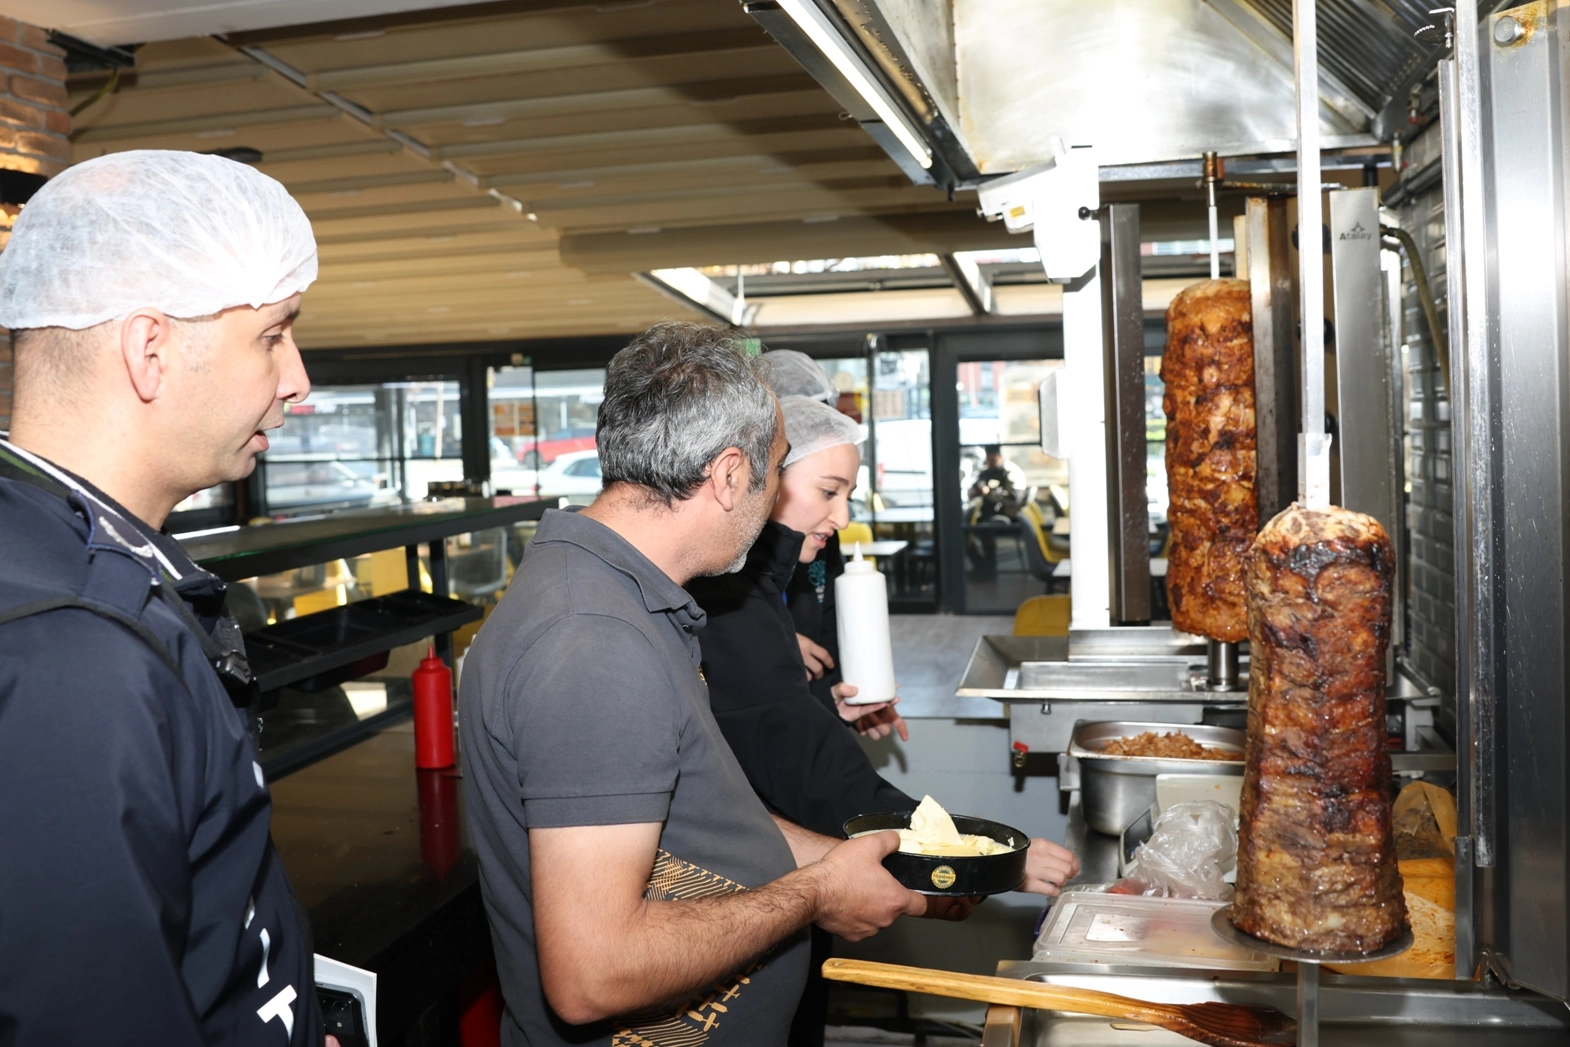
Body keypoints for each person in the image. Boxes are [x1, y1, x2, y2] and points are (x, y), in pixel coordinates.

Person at [459, 322, 934, 1047]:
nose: (777, 498)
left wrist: (850, 862)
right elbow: (593, 972)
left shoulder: (632, 600)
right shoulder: (592, 643)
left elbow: (703, 822)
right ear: (728, 475)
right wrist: (815, 893)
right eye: (776, 472)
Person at [0, 151, 324, 1044]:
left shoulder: (70, 545)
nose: (297, 379)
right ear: (149, 349)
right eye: (272, 334)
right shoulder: (71, 650)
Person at [689, 394, 1080, 1046]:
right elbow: (809, 764)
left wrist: (824, 699)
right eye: (827, 490)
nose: (842, 517)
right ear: (762, 473)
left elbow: (783, 726)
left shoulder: (766, 586)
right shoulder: (734, 599)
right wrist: (976, 854)